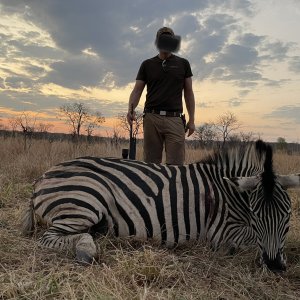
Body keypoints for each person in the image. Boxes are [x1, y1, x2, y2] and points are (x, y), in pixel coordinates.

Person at [127, 27, 195, 165]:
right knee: (151, 164)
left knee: (176, 166)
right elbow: (137, 90)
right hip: (152, 118)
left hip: (175, 119)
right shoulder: (147, 64)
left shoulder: (183, 64)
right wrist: (130, 109)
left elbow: (188, 92)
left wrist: (192, 120)